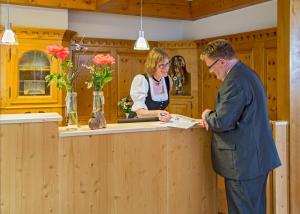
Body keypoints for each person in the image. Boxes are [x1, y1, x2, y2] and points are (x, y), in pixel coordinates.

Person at [199, 39, 281, 214]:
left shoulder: (234, 81)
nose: (211, 72)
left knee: (242, 210)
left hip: (243, 162)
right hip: (255, 159)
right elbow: (238, 113)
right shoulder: (247, 74)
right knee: (255, 209)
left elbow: (222, 121)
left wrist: (207, 115)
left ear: (221, 61)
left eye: (210, 66)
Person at [130, 48, 172, 121]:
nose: (166, 68)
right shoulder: (141, 80)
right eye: (161, 65)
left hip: (156, 123)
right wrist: (158, 113)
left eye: (167, 64)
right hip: (138, 123)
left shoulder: (168, 80)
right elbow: (140, 113)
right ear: (153, 66)